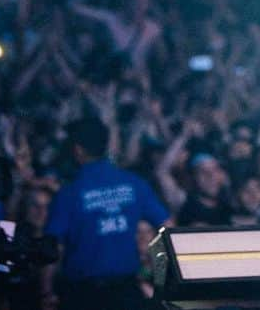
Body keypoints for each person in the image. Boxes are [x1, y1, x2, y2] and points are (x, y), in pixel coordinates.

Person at [42, 115, 172, 310]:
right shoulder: (134, 183)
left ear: (77, 150)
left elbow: (52, 247)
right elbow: (168, 227)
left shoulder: (69, 193)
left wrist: (45, 291)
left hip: (83, 296)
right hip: (126, 292)